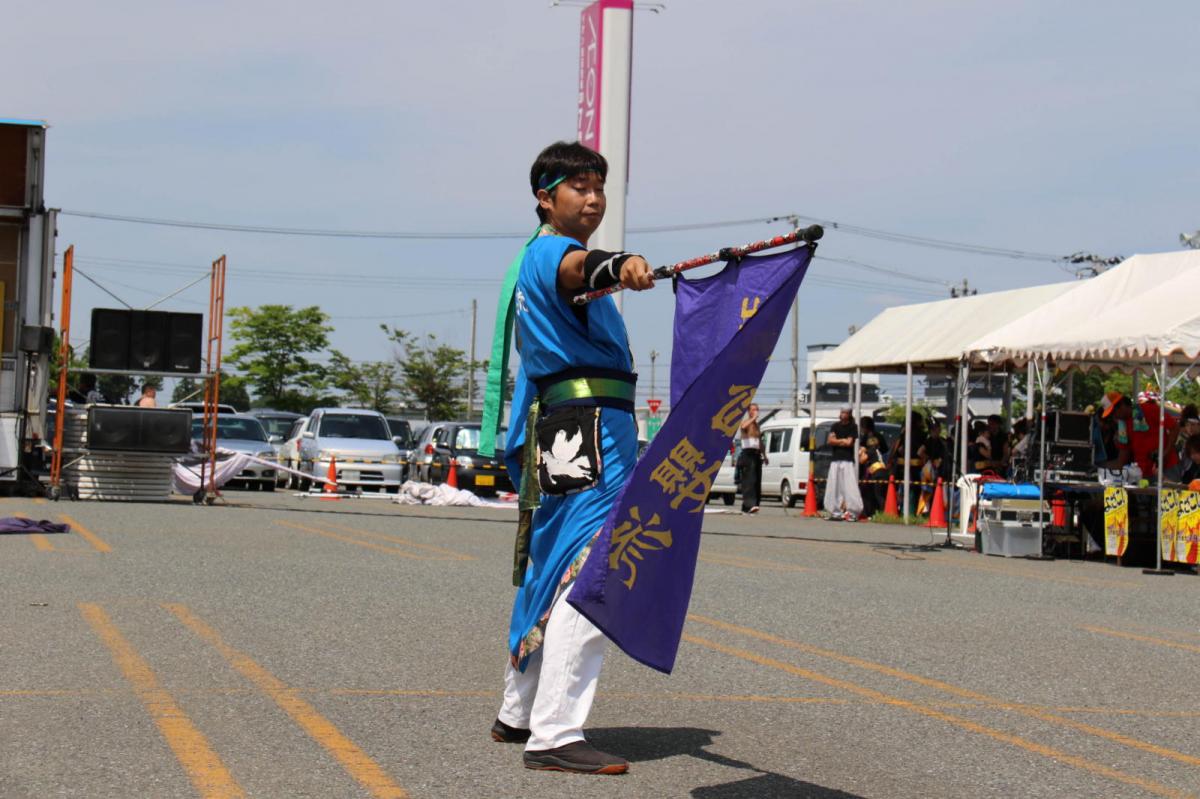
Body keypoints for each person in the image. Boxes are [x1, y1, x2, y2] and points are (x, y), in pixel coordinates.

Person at [489, 141, 653, 775]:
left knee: (554, 561)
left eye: (598, 187)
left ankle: (518, 710)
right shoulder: (553, 253)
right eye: (578, 187)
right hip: (588, 428)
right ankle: (556, 733)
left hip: (570, 426)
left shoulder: (531, 257)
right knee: (593, 567)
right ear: (545, 198)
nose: (592, 197)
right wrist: (620, 265)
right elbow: (581, 272)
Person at [824, 407, 863, 521]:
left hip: (847, 460)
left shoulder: (853, 426)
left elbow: (850, 442)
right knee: (834, 485)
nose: (843, 414)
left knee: (850, 486)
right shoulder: (835, 426)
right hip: (835, 459)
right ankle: (834, 512)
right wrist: (842, 441)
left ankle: (853, 512)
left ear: (849, 414)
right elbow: (830, 440)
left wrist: (838, 441)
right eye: (842, 412)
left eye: (845, 412)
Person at [737, 403, 766, 514]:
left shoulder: (757, 425)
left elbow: (760, 442)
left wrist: (765, 455)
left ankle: (751, 505)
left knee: (757, 480)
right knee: (750, 480)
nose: (756, 411)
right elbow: (743, 427)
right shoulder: (746, 423)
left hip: (756, 453)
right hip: (747, 454)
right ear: (749, 411)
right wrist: (753, 418)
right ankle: (750, 504)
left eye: (757, 409)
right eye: (753, 410)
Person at [857, 416, 888, 517]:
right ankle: (877, 513)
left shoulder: (867, 439)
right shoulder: (879, 435)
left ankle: (878, 513)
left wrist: (860, 453)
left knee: (874, 494)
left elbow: (862, 459)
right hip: (883, 468)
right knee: (878, 493)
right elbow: (885, 449)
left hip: (873, 470)